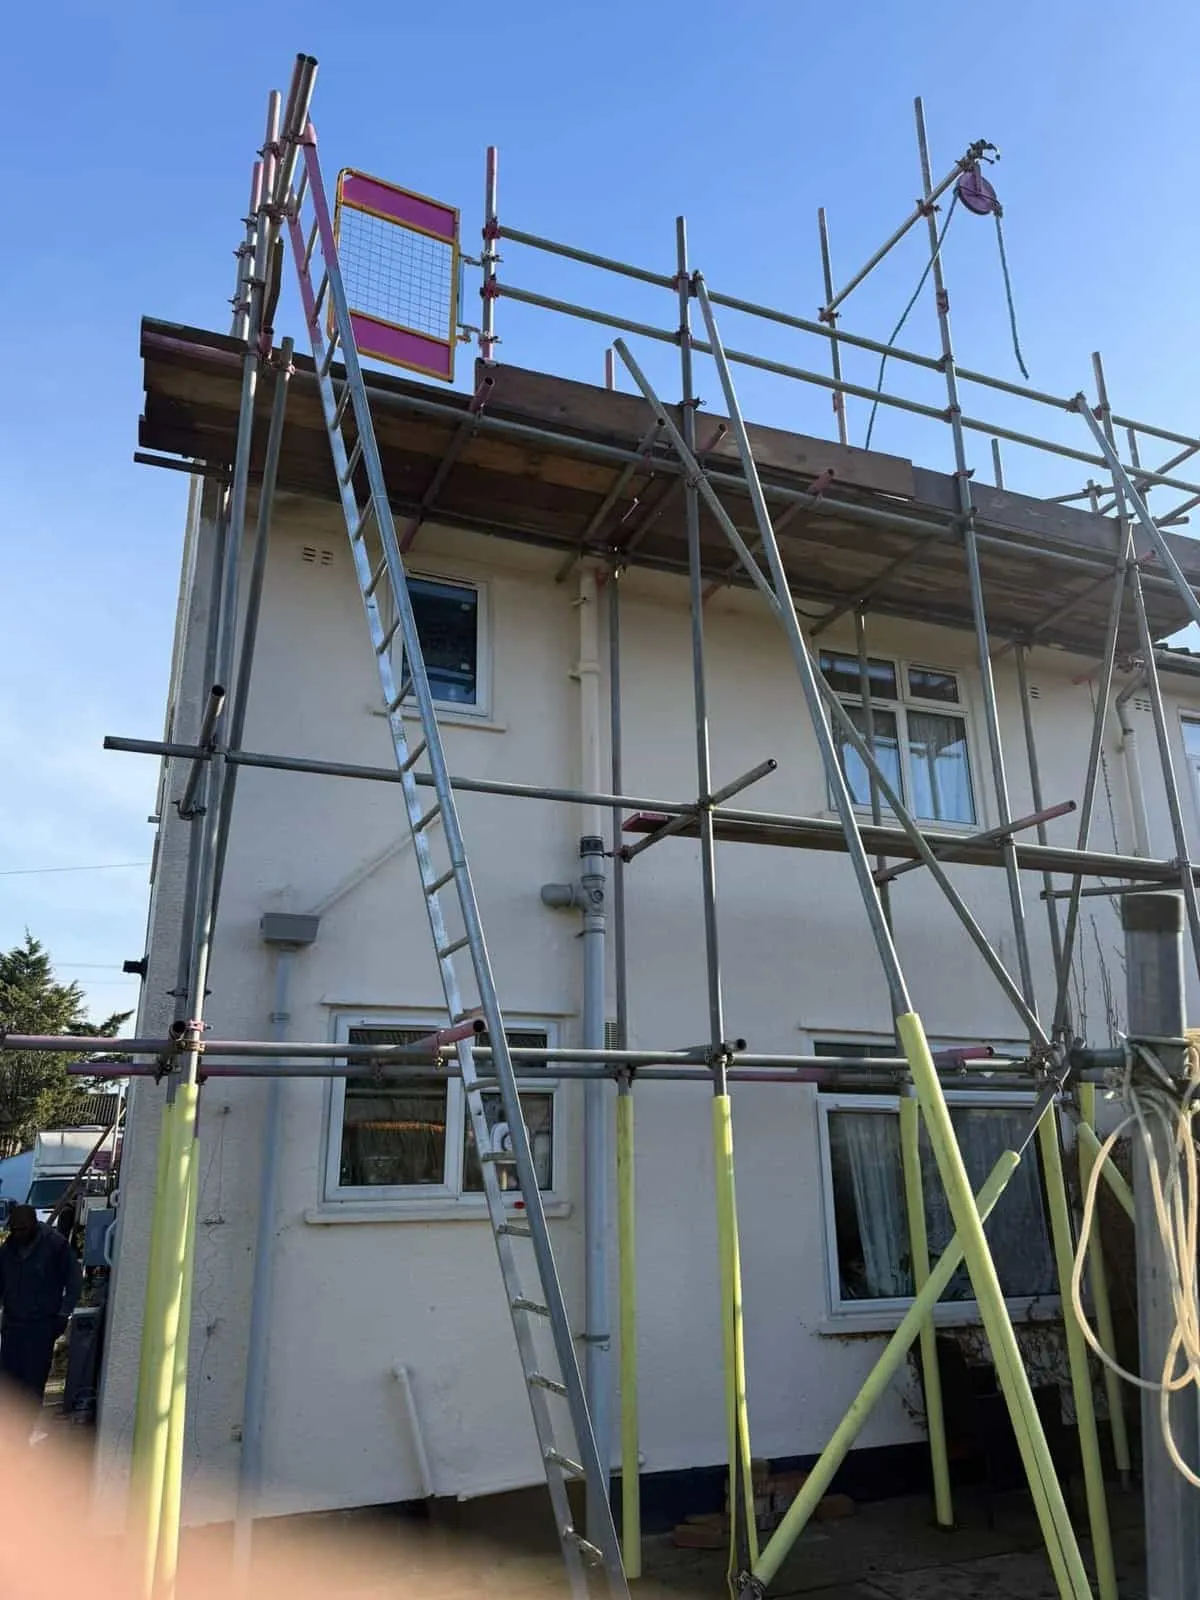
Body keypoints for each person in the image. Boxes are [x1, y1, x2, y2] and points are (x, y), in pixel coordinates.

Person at [0, 1204, 81, 1414]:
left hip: (42, 1325)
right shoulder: (8, 1249)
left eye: (22, 1229)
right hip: (12, 1325)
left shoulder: (55, 1246)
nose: (18, 1234)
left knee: (33, 1382)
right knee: (8, 1384)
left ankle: (27, 1427)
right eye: (14, 1229)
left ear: (34, 1224)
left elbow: (74, 1280)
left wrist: (64, 1313)